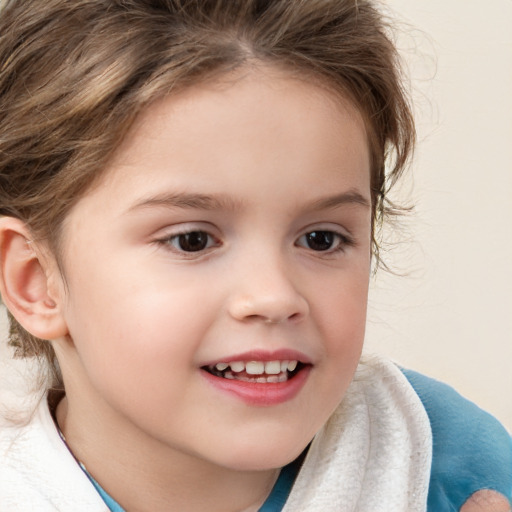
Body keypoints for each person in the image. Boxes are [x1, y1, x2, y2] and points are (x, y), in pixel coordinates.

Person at [0, 1, 510, 511]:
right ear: (37, 280)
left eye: (321, 238)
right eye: (192, 240)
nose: (273, 296)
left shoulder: (445, 465)